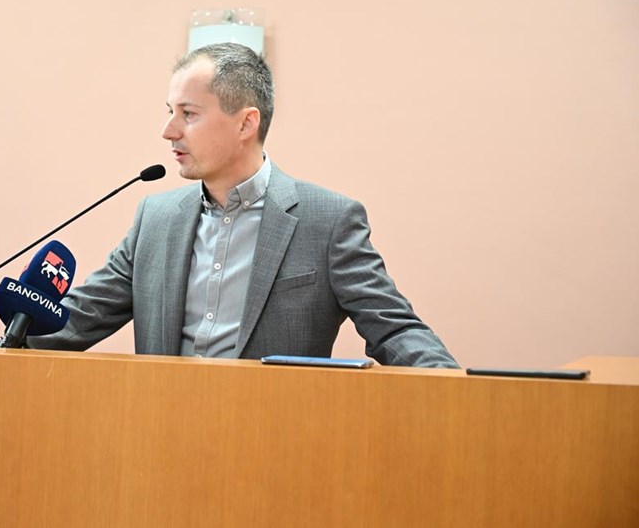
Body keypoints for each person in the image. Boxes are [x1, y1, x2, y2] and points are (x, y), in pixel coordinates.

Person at [29, 43, 458, 367]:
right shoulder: (155, 220)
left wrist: (454, 389)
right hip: (160, 438)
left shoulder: (328, 221)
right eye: (169, 111)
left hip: (269, 444)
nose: (168, 131)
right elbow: (74, 319)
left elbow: (394, 329)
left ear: (246, 123)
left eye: (188, 114)